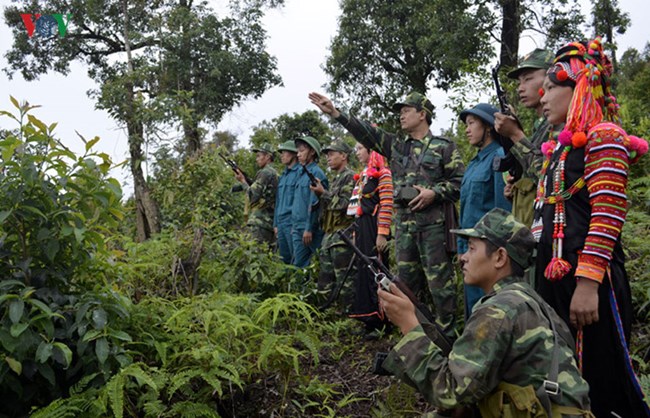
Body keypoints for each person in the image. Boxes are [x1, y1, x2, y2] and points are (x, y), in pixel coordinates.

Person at [378, 208, 593, 416]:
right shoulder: (527, 298)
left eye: (471, 248)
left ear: (500, 257)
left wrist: (408, 324)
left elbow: (449, 392)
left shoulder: (499, 310)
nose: (463, 257)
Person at [534, 37, 650, 416]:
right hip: (555, 277)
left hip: (590, 283)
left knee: (599, 375)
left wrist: (586, 284)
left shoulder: (604, 136)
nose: (542, 94)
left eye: (551, 87)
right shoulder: (561, 149)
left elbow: (608, 211)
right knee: (562, 371)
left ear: (579, 86)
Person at [309, 91, 464, 338]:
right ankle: (413, 336)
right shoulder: (397, 146)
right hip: (404, 229)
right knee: (404, 284)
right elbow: (367, 133)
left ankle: (447, 336)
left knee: (440, 284)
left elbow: (459, 183)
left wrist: (434, 193)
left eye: (406, 110)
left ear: (422, 114)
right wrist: (336, 113)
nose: (401, 115)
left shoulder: (443, 147)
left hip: (434, 228)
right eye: (400, 111)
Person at [458, 103, 512, 317]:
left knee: (489, 309)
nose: (467, 129)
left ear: (488, 127)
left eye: (472, 123)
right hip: (470, 248)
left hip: (489, 251)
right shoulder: (473, 163)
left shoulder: (499, 156)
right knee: (473, 307)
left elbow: (503, 209)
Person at [494, 48, 555, 228]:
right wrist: (517, 188)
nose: (521, 87)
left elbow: (548, 177)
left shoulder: (561, 126)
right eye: (519, 82)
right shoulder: (540, 127)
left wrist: (515, 134)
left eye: (528, 79)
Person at [347, 143, 393, 338]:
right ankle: (368, 317)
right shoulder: (363, 174)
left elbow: (387, 203)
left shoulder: (384, 173)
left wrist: (382, 232)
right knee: (363, 269)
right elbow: (358, 206)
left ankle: (383, 320)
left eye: (360, 148)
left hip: (375, 227)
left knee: (377, 269)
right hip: (362, 227)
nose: (357, 152)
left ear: (371, 150)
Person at [310, 139, 356, 306]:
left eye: (331, 154)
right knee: (325, 281)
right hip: (329, 236)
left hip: (342, 237)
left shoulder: (350, 177)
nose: (328, 158)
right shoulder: (337, 179)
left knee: (345, 282)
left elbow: (345, 205)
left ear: (343, 156)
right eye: (327, 155)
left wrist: (324, 193)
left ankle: (349, 317)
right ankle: (327, 316)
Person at [291, 136, 328, 268]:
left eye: (302, 151)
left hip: (311, 229)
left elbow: (315, 204)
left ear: (312, 152)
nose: (298, 154)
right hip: (297, 227)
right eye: (298, 151)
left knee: (318, 263)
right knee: (298, 265)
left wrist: (308, 228)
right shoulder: (300, 173)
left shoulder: (316, 173)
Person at [235, 142, 278, 245]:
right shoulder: (275, 173)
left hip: (260, 222)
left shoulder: (265, 172)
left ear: (267, 157)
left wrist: (242, 181)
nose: (256, 159)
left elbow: (253, 196)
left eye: (259, 156)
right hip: (268, 224)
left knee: (255, 255)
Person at [273, 140, 300, 264]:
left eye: (285, 152)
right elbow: (278, 201)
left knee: (296, 258)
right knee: (284, 259)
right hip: (281, 222)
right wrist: (276, 224)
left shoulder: (300, 173)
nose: (282, 155)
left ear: (294, 154)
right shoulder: (283, 176)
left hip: (291, 222)